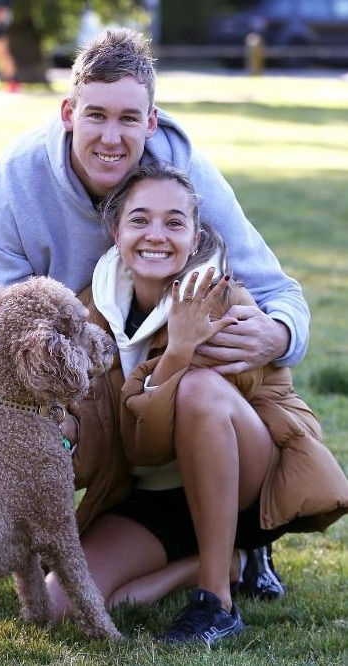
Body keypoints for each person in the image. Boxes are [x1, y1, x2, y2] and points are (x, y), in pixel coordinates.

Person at [0, 28, 306, 599]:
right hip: (72, 364)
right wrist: (11, 434)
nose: (111, 138)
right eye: (96, 116)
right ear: (68, 112)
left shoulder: (181, 178)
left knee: (200, 393)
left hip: (166, 381)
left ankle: (237, 541)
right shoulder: (10, 186)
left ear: (152, 121)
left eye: (129, 119)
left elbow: (279, 291)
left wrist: (278, 335)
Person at [45, 162, 348, 645]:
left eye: (174, 222)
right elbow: (133, 452)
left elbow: (169, 432)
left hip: (245, 479)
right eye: (139, 219)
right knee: (57, 608)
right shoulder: (91, 310)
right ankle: (229, 564)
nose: (156, 236)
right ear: (115, 231)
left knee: (199, 390)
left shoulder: (224, 300)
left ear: (195, 235)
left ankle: (217, 603)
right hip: (155, 493)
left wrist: (181, 352)